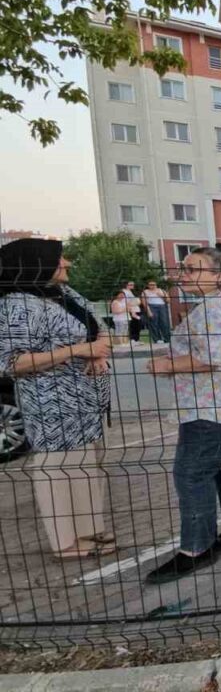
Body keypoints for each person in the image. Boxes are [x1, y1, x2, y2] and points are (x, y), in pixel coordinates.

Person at [146, 244, 221, 583]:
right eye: (183, 268)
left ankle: (196, 549)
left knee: (191, 472)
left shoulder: (215, 308)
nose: (183, 275)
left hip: (214, 405)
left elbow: (212, 358)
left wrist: (166, 366)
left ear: (218, 275)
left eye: (193, 269)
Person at [0, 239, 115, 559]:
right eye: (59, 258)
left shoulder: (64, 294)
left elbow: (99, 327)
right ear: (35, 263)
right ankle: (65, 543)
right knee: (56, 469)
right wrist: (79, 350)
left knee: (86, 466)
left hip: (85, 400)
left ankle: (90, 531)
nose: (67, 263)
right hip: (50, 403)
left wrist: (97, 352)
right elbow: (11, 363)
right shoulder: (17, 305)